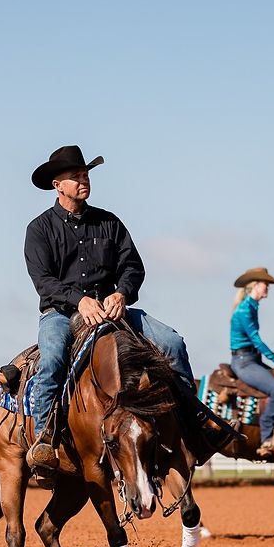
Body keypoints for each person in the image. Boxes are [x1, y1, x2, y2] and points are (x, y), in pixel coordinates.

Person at [22, 145, 231, 471]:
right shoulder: (39, 229)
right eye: (75, 176)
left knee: (172, 342)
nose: (83, 179)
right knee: (51, 359)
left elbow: (132, 267)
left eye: (86, 174)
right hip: (61, 313)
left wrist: (121, 293)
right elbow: (43, 279)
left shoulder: (110, 222)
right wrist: (79, 299)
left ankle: (193, 422)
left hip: (114, 311)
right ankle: (44, 441)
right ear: (57, 184)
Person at [229, 267, 274, 457]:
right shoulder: (244, 310)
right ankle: (265, 438)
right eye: (266, 284)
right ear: (255, 285)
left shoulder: (252, 307)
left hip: (251, 359)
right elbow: (256, 340)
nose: (268, 288)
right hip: (244, 362)